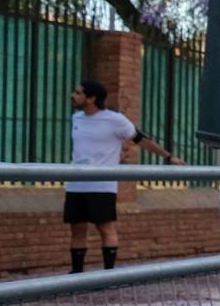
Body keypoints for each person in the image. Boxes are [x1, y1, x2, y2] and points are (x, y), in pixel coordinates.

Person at [64, 79, 183, 274]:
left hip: (102, 186)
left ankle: (109, 273)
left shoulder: (114, 119)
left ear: (91, 98)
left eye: (78, 93)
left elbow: (140, 139)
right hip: (76, 184)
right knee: (77, 229)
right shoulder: (76, 118)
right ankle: (77, 273)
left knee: (105, 228)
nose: (74, 96)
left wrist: (168, 157)